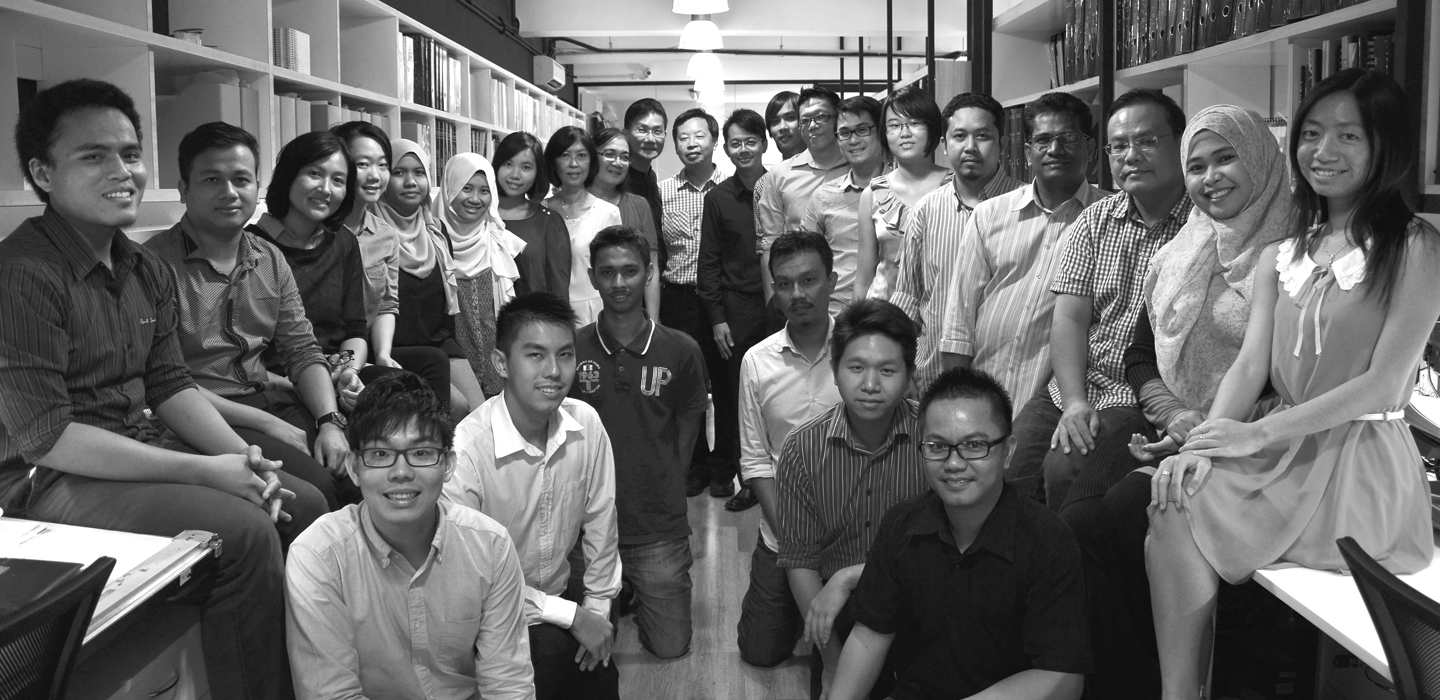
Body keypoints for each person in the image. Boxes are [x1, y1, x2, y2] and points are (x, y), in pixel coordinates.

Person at [0, 77, 323, 700]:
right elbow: (47, 438)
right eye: (93, 156)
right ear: (42, 173)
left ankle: (320, 678)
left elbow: (170, 384)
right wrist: (204, 471)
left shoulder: (143, 266)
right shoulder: (23, 275)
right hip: (50, 480)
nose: (122, 172)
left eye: (130, 153)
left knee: (300, 499)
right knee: (246, 531)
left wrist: (244, 458)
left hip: (137, 445)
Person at [1148, 69, 1440, 700]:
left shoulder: (1416, 247)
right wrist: (1204, 443)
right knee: (1171, 497)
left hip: (1359, 461)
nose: (1323, 151)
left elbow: (1384, 386)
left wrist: (1254, 435)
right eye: (1311, 134)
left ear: (1385, 146)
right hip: (1283, 454)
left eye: (1348, 136)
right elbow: (1250, 366)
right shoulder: (1281, 253)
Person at [1077, 105, 1295, 700]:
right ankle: (1127, 683)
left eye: (1226, 158)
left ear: (1262, 160)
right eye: (1196, 166)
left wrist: (1204, 430)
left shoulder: (1294, 253)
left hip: (1255, 435)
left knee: (1130, 511)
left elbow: (1283, 375)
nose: (1210, 177)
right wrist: (1174, 415)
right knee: (1082, 524)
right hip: (1176, 421)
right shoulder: (1184, 247)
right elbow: (1139, 355)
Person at [828, 368, 1091, 700]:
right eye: (937, 446)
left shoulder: (1049, 541)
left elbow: (1063, 677)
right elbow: (869, 635)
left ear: (1008, 451)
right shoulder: (901, 524)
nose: (954, 463)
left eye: (974, 445)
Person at [286, 373, 535, 699]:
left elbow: (508, 685)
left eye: (421, 453)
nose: (401, 472)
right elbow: (332, 694)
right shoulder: (318, 556)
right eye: (380, 454)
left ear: (448, 464)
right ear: (354, 468)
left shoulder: (490, 546)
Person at [146, 121, 354, 510]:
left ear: (256, 187)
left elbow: (301, 350)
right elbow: (164, 382)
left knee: (367, 462)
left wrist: (330, 421)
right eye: (212, 179)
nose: (229, 192)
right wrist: (270, 424)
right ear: (184, 189)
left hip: (270, 399)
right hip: (208, 417)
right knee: (317, 491)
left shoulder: (269, 257)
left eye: (241, 179)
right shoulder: (155, 265)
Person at [1008, 88, 1191, 513]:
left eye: (1147, 141)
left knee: (1067, 466)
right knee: (1006, 465)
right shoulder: (1096, 218)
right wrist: (1074, 400)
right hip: (1075, 385)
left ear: (1181, 143)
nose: (1131, 156)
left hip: (1140, 395)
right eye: (1119, 146)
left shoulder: (1200, 225)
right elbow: (1069, 320)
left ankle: (1067, 555)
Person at [447, 292, 622, 700]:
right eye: (535, 355)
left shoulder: (585, 424)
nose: (554, 371)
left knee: (599, 674)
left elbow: (602, 526)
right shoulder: (467, 451)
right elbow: (471, 582)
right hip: (482, 617)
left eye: (565, 355)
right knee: (547, 658)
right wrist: (573, 616)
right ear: (501, 364)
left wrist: (596, 612)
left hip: (557, 600)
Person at [777, 298, 930, 696]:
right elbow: (800, 559)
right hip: (837, 607)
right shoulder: (803, 448)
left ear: (909, 375)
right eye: (857, 367)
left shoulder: (934, 441)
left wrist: (852, 575)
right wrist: (832, 661)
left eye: (888, 370)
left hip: (920, 598)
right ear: (834, 369)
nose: (871, 385)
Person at [571, 226, 708, 659]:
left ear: (649, 273)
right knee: (577, 644)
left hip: (656, 525)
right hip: (585, 525)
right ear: (592, 277)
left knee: (671, 647)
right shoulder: (571, 350)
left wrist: (664, 481)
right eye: (607, 272)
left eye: (630, 271)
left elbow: (687, 432)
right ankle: (621, 592)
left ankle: (630, 591)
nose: (619, 282)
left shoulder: (681, 349)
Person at [938, 92, 1107, 413]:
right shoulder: (989, 215)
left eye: (1068, 138)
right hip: (983, 400)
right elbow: (959, 323)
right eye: (1043, 140)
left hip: (1059, 411)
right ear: (1028, 153)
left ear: (1091, 149)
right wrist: (957, 406)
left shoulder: (1112, 220)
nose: (1054, 149)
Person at [734, 230, 842, 668]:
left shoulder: (860, 351)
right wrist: (794, 536)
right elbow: (755, 460)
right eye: (784, 284)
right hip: (784, 534)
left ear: (832, 281)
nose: (797, 294)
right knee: (759, 652)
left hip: (852, 534)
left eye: (809, 280)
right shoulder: (757, 361)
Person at [886, 92, 1024, 392]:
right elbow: (908, 300)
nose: (970, 147)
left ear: (1002, 144)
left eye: (983, 136)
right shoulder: (926, 210)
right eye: (959, 136)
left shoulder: (1028, 208)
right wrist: (902, 370)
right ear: (944, 145)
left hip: (1008, 382)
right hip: (933, 380)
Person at [331, 121, 454, 412]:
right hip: (331, 351)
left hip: (364, 348)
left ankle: (434, 436)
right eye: (363, 164)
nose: (375, 175)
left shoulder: (385, 234)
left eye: (383, 165)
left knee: (434, 363)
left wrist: (383, 354)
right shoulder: (323, 233)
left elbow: (387, 303)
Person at [246, 131, 367, 411]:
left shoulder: (344, 242)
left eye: (338, 180)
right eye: (314, 173)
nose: (326, 189)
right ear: (289, 175)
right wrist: (312, 386)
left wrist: (349, 371)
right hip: (276, 385)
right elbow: (245, 354)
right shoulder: (251, 246)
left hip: (335, 375)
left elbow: (355, 328)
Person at [375, 139, 484, 414]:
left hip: (439, 345)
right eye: (399, 172)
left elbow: (445, 309)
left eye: (419, 172)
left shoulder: (436, 232)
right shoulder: (371, 234)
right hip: (392, 351)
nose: (411, 182)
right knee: (456, 408)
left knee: (481, 416)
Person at [697, 108, 771, 512]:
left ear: (764, 143)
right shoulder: (718, 198)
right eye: (735, 143)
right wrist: (717, 318)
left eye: (750, 141)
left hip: (777, 307)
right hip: (736, 309)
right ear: (726, 149)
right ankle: (745, 477)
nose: (743, 149)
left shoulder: (777, 188)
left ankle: (776, 473)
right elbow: (708, 262)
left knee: (772, 394)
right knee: (734, 398)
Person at [657, 108, 731, 498]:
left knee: (726, 382)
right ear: (675, 145)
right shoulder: (663, 191)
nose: (691, 144)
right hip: (679, 299)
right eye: (683, 137)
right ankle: (696, 463)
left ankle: (725, 465)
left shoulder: (733, 186)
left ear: (714, 141)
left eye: (700, 136)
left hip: (721, 300)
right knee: (687, 386)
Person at [434, 152, 528, 398]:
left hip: (502, 369)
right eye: (466, 188)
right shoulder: (429, 246)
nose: (475, 199)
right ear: (449, 189)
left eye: (484, 191)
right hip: (450, 371)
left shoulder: (503, 245)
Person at [853, 86, 953, 302]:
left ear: (933, 127)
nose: (904, 133)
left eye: (915, 123)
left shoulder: (956, 187)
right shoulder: (872, 194)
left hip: (942, 310)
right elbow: (863, 278)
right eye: (894, 125)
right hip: (884, 312)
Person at [754, 86, 850, 302]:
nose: (813, 125)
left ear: (837, 119)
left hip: (854, 291)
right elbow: (770, 244)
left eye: (821, 117)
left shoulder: (858, 167)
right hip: (801, 295)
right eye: (805, 120)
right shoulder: (779, 175)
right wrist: (775, 303)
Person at [800, 95, 887, 316]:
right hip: (835, 315)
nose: (853, 140)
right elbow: (804, 259)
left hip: (893, 313)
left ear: (881, 131)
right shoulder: (823, 196)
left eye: (862, 130)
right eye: (845, 133)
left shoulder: (903, 191)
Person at [543, 126, 623, 326]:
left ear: (591, 162)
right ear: (553, 161)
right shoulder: (540, 211)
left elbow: (614, 271)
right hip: (547, 311)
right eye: (565, 155)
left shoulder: (608, 213)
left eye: (581, 155)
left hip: (593, 310)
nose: (573, 164)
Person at [589, 127, 662, 314]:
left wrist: (653, 321)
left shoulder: (639, 205)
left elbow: (651, 269)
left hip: (629, 311)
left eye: (624, 157)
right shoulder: (573, 204)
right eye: (609, 154)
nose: (618, 162)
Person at [495, 131, 572, 300]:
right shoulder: (480, 216)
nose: (515, 175)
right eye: (508, 164)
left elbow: (559, 290)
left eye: (526, 167)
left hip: (533, 314)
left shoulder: (549, 222)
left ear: (537, 173)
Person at [765, 91, 806, 161]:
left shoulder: (825, 165)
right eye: (775, 121)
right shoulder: (776, 169)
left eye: (790, 118)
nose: (782, 127)